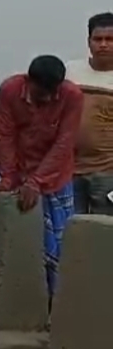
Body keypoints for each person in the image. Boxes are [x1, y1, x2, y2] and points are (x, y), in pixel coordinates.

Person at [0, 55, 82, 320]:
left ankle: (58, 315)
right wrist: (7, 178)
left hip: (56, 178)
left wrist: (37, 182)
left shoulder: (71, 96)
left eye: (52, 94)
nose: (46, 100)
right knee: (29, 249)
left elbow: (65, 142)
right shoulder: (9, 90)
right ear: (28, 82)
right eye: (41, 93)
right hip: (20, 172)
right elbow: (5, 136)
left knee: (59, 251)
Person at [66, 12, 113, 216]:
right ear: (89, 42)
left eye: (110, 39)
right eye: (98, 39)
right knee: (70, 229)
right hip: (69, 169)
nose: (103, 45)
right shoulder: (71, 72)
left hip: (108, 172)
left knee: (103, 231)